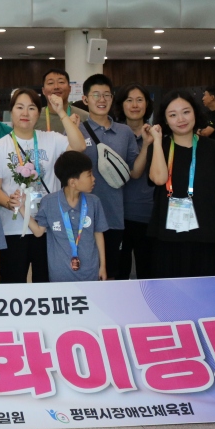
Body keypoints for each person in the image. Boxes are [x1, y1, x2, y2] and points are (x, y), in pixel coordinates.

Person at [0, 88, 85, 284]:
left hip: (49, 227)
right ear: (11, 111)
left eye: (31, 108)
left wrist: (61, 112)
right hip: (13, 228)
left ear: (39, 113)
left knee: (47, 282)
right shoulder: (0, 147)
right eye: (19, 107)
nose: (25, 113)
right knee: (13, 284)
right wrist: (9, 202)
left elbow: (80, 146)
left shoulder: (52, 139)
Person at [147, 90, 215, 278]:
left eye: (186, 112)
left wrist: (203, 205)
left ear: (195, 112)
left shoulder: (212, 148)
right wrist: (158, 141)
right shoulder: (159, 147)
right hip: (169, 235)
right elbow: (159, 179)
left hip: (207, 234)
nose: (181, 119)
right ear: (165, 120)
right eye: (173, 115)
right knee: (169, 290)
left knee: (207, 289)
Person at [79, 73, 151, 280]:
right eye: (96, 95)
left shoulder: (124, 132)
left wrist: (146, 144)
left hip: (113, 216)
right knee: (84, 273)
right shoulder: (77, 130)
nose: (102, 100)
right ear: (85, 100)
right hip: (83, 215)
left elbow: (135, 172)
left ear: (112, 98)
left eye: (106, 95)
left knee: (112, 275)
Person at [26, 151, 108, 283]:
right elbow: (38, 232)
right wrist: (21, 209)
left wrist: (102, 266)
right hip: (60, 274)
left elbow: (98, 233)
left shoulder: (94, 202)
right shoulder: (49, 202)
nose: (93, 179)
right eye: (89, 175)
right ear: (73, 182)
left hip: (90, 272)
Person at [112, 84, 155, 279]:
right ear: (121, 105)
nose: (135, 105)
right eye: (129, 100)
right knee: (118, 273)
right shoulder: (113, 135)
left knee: (148, 272)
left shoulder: (158, 136)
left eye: (139, 100)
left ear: (147, 104)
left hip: (147, 213)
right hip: (117, 214)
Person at [35, 68, 91, 135]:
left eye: (61, 82)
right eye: (50, 83)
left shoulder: (85, 117)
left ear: (69, 89)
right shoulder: (34, 117)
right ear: (43, 91)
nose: (56, 87)